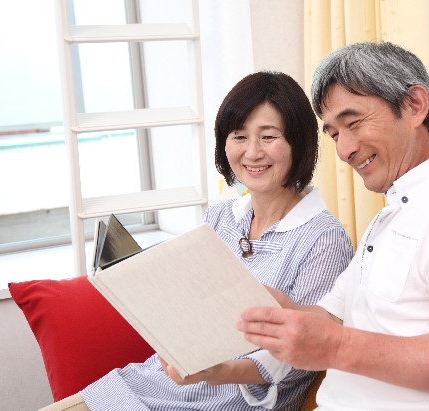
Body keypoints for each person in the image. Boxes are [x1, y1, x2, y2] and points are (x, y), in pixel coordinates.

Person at [237, 42, 429, 410]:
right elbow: (332, 315)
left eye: (353, 123)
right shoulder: (393, 214)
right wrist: (271, 310)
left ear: (414, 106)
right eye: (333, 134)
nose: (344, 150)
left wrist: (336, 346)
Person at [40, 71, 353, 411]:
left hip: (232, 399)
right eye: (239, 136)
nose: (252, 152)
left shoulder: (324, 239)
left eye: (268, 136)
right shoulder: (220, 217)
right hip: (158, 382)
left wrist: (219, 371)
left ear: (299, 143)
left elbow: (298, 358)